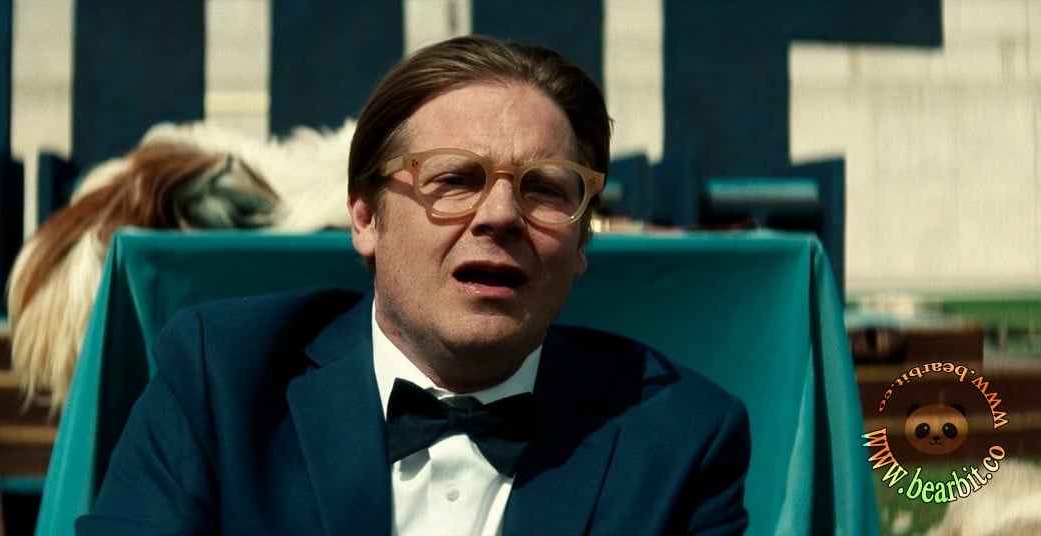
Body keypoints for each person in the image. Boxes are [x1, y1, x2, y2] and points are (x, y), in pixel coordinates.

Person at [77, 35, 750, 535]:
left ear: (581, 242)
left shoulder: (682, 438)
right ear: (366, 218)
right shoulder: (220, 378)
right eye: (454, 179)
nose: (500, 215)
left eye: (545, 189)